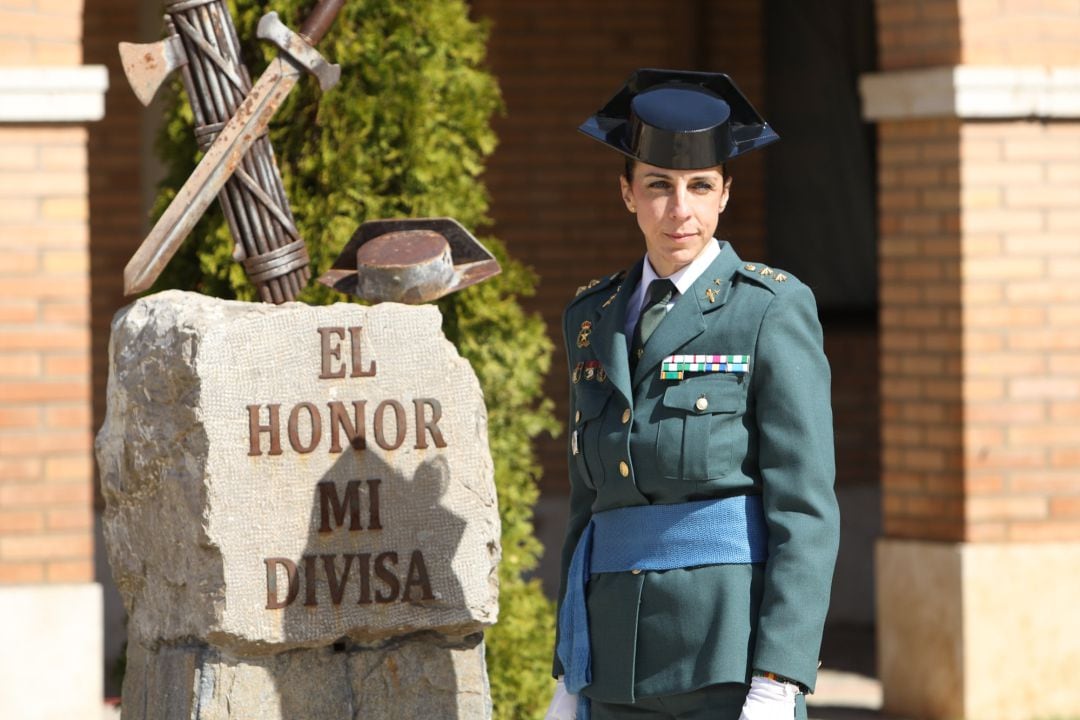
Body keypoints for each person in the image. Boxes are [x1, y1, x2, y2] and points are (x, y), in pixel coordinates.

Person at [545, 69, 840, 720]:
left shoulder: (767, 311)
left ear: (725, 193)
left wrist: (778, 675)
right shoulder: (590, 318)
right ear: (627, 193)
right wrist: (569, 669)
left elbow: (806, 510)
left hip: (726, 656)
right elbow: (586, 507)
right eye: (659, 186)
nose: (680, 210)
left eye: (699, 186)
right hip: (615, 661)